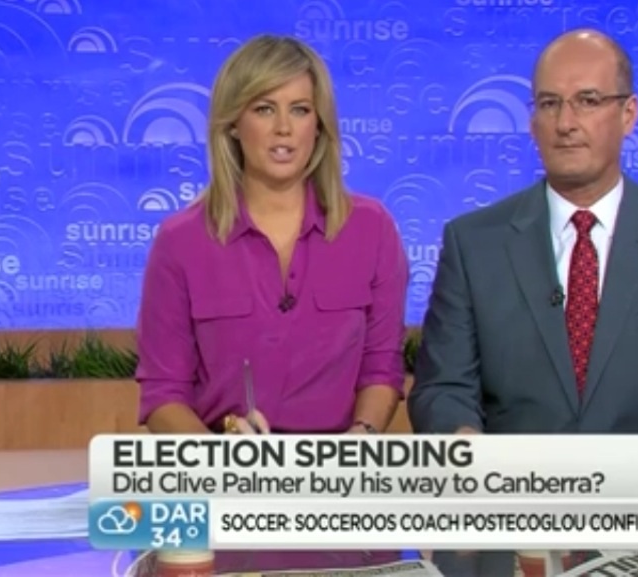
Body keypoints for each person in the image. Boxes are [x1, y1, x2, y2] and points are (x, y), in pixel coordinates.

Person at [408, 30, 638, 576]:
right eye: (549, 103)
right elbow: (442, 389)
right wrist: (464, 447)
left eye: (588, 101)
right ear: (532, 120)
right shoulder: (473, 243)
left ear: (629, 114)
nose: (565, 122)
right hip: (508, 539)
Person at [135, 35, 408, 573]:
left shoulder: (371, 229)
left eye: (300, 110)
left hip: (341, 503)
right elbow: (163, 394)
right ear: (234, 124)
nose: (284, 128)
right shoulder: (180, 241)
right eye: (265, 109)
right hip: (219, 506)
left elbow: (382, 369)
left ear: (319, 125)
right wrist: (224, 464)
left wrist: (360, 442)